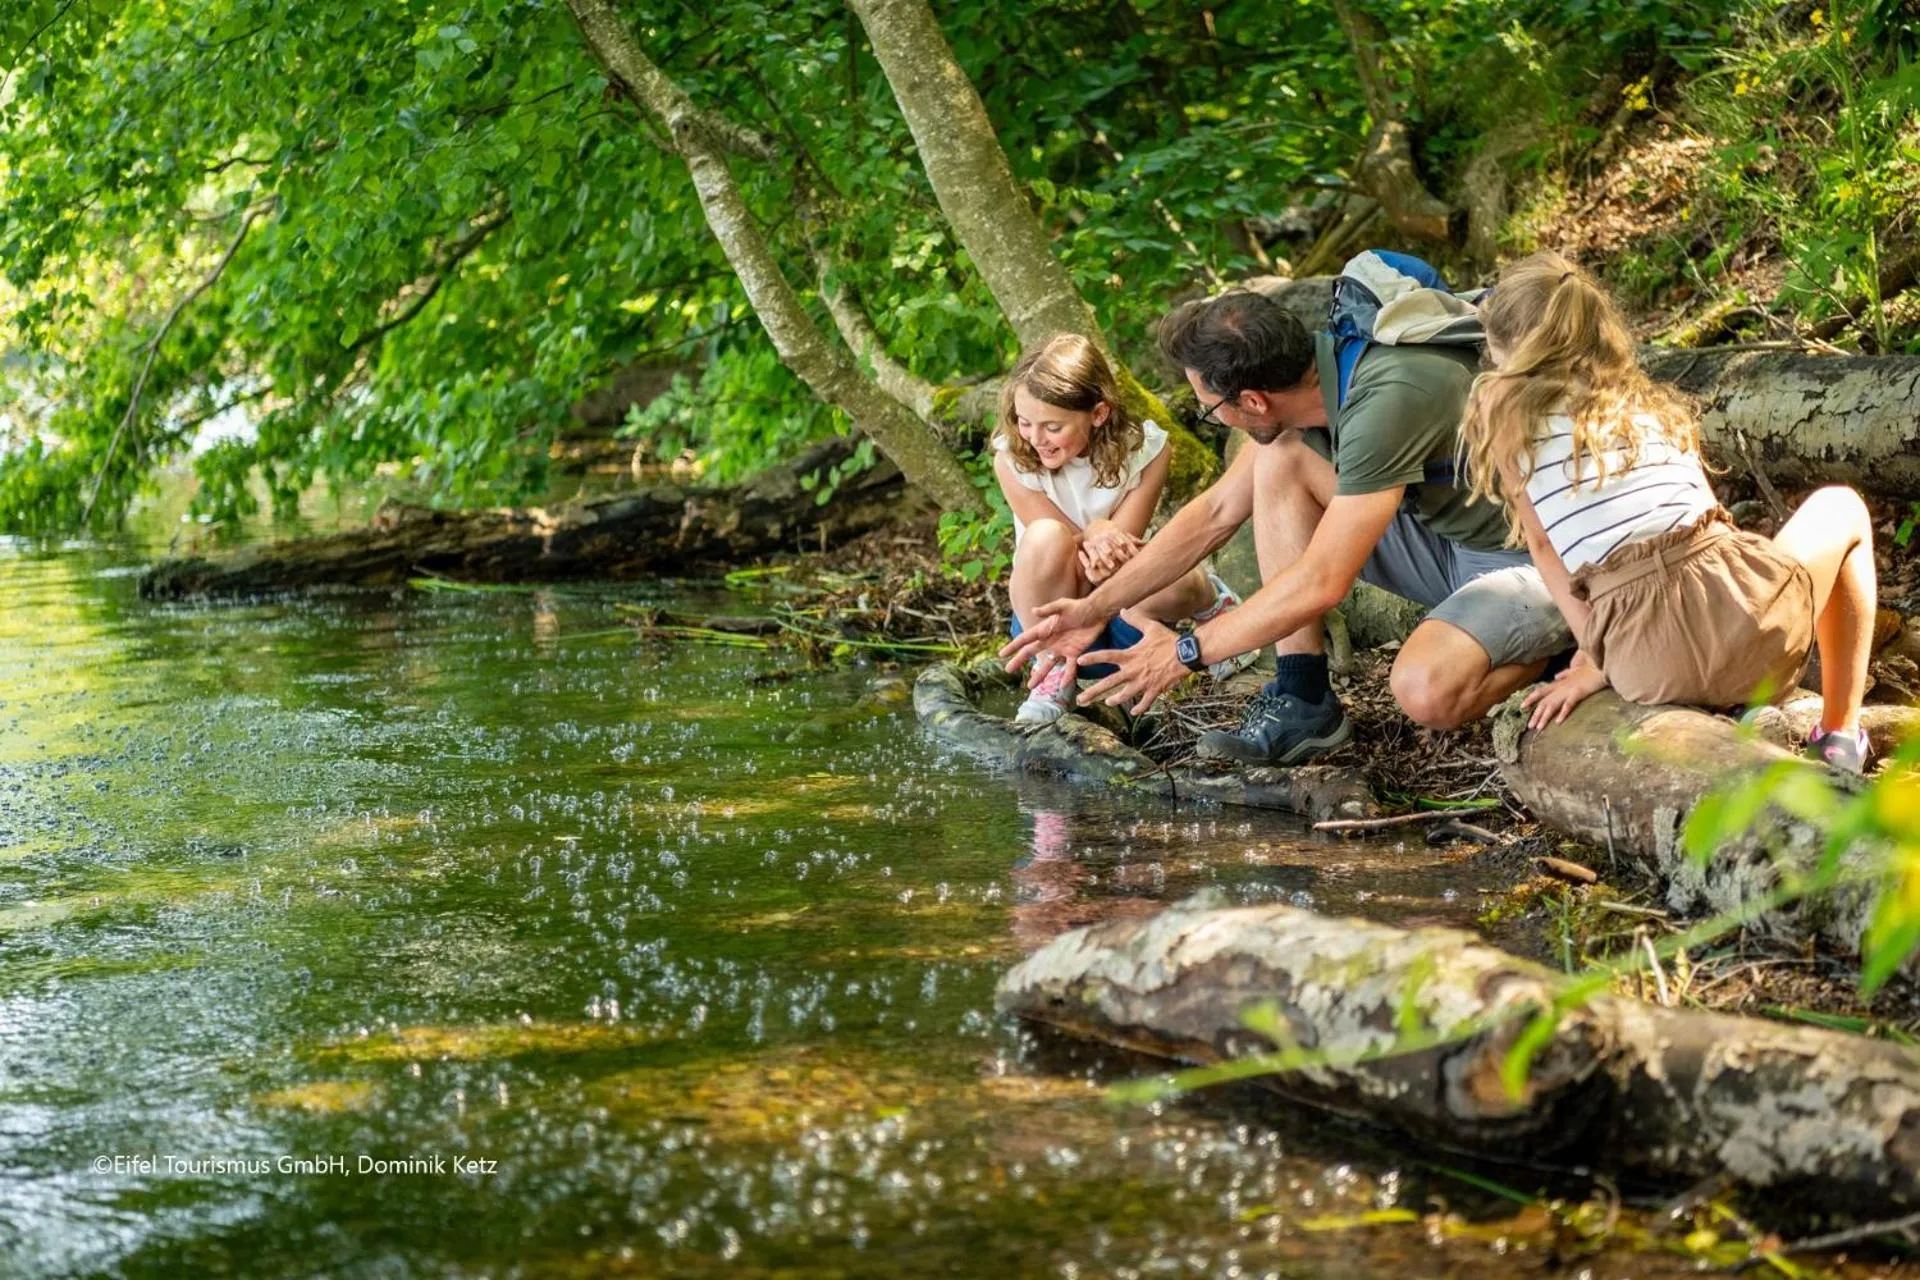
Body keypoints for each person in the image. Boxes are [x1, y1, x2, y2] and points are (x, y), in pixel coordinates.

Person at [999, 286, 1572, 765]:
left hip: (1530, 562)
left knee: (1424, 690)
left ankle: (1556, 649)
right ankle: (1304, 698)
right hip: (1446, 541)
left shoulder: (1386, 400)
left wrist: (1185, 652)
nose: (1214, 418)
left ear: (1252, 401)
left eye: (1209, 408)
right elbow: (1216, 513)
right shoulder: (1311, 389)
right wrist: (1091, 610)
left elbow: (1323, 580)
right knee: (1279, 461)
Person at [1463, 252, 1876, 771]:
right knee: (1843, 506)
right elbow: (1706, 524)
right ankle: (1838, 735)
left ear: (1505, 351)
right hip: (1748, 629)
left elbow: (1545, 549)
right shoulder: (1642, 401)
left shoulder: (1503, 414)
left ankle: (1724, 703)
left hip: (1645, 663)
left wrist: (1597, 658)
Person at [994, 334, 1246, 724]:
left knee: (1152, 564)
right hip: (1053, 615)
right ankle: (1054, 675)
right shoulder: (1012, 459)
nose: (1035, 438)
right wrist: (1094, 531)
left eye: (1052, 426)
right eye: (1024, 422)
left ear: (1097, 414)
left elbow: (1116, 552)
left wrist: (1100, 531)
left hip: (1129, 608)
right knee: (1044, 535)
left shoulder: (1147, 450)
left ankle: (1215, 607)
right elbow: (1066, 546)